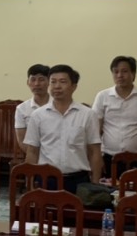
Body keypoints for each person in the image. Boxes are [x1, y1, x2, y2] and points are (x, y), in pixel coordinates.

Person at [22, 64, 102, 194]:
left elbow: (94, 152)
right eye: (53, 82)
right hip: (46, 179)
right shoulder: (38, 115)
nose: (57, 86)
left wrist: (95, 184)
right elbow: (32, 151)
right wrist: (30, 184)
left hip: (78, 180)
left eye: (63, 82)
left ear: (74, 86)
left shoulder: (88, 114)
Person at [92, 55, 137, 174]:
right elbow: (96, 130)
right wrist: (97, 157)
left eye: (124, 71)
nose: (119, 75)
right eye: (116, 72)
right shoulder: (102, 96)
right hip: (109, 157)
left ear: (133, 74)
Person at [14, 63, 51, 148]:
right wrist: (33, 154)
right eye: (33, 80)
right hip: (32, 153)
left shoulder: (58, 105)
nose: (37, 84)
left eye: (41, 79)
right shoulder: (21, 109)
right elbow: (22, 141)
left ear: (49, 82)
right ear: (28, 82)